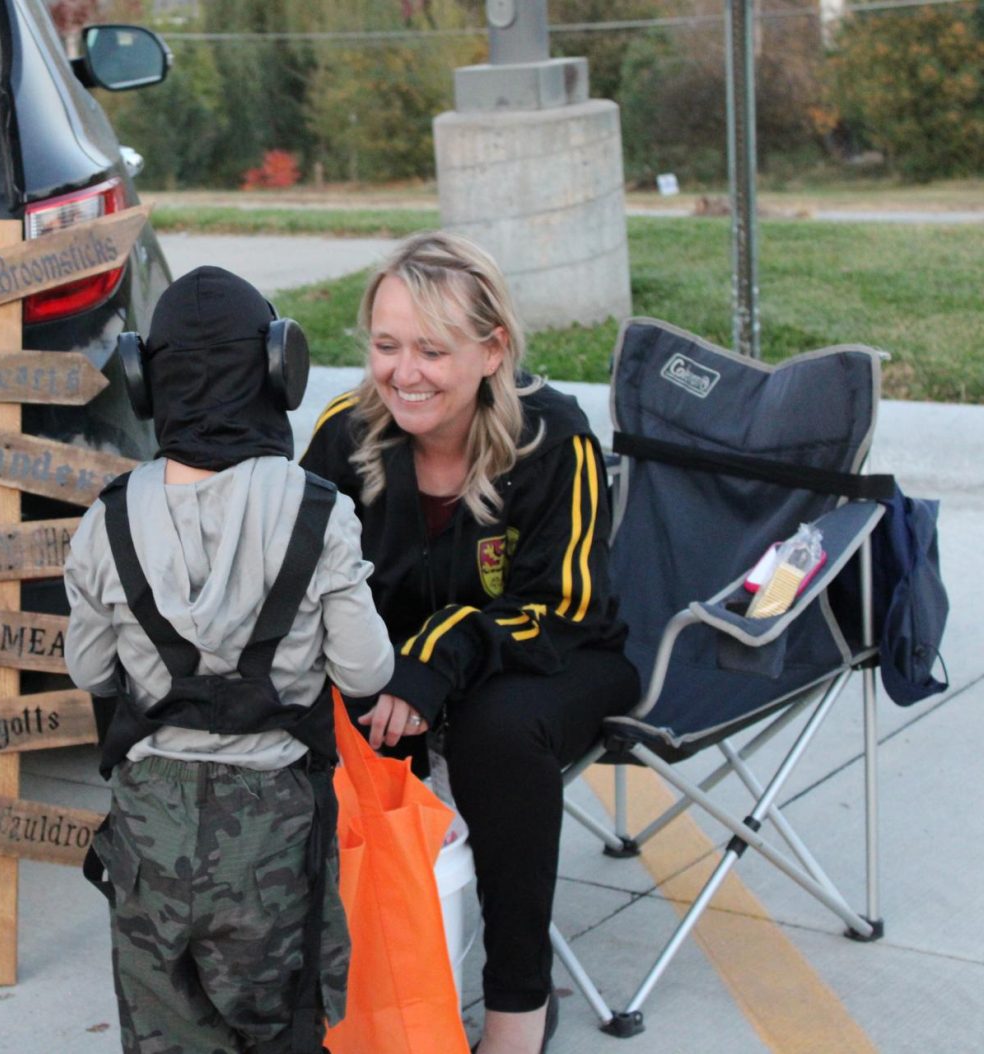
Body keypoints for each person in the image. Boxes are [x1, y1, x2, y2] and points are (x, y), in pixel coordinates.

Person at [301, 232, 640, 1054]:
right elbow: (297, 583)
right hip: (394, 675)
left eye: (431, 349)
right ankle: (323, 982)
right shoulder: (349, 434)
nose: (403, 372)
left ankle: (518, 1011)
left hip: (555, 657)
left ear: (491, 351)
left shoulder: (554, 438)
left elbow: (564, 605)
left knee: (499, 727)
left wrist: (436, 663)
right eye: (386, 346)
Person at [64, 266, 394, 1054]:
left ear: (147, 383)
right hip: (273, 822)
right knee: (280, 1026)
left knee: (167, 1030)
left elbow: (88, 673)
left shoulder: (105, 522)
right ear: (279, 369)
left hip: (150, 819)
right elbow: (367, 674)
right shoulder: (320, 513)